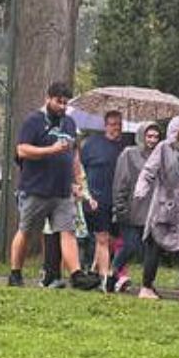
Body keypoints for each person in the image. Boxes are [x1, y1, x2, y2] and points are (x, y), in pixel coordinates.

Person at [8, 81, 99, 290]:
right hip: (35, 189)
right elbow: (22, 150)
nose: (62, 107)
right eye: (59, 102)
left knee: (67, 231)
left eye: (66, 103)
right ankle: (15, 272)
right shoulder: (34, 121)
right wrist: (50, 150)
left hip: (62, 191)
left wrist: (78, 183)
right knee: (26, 231)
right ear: (48, 98)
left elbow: (74, 155)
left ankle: (76, 275)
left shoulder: (68, 123)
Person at [134, 116, 179, 301]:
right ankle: (146, 286)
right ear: (174, 130)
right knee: (155, 242)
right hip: (164, 201)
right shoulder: (162, 148)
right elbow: (148, 171)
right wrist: (141, 190)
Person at [107, 121, 161, 292]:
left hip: (151, 211)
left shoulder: (160, 156)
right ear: (142, 136)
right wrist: (120, 207)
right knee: (131, 245)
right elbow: (120, 182)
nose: (152, 140)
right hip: (130, 209)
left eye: (156, 137)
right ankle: (112, 273)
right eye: (149, 136)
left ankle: (147, 284)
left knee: (151, 251)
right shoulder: (129, 154)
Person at [80, 110, 127, 280]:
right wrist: (84, 193)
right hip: (95, 199)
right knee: (103, 238)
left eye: (120, 125)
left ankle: (93, 270)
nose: (117, 128)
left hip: (116, 199)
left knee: (113, 239)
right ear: (105, 125)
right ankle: (105, 277)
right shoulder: (92, 144)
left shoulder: (125, 147)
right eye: (113, 124)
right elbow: (80, 170)